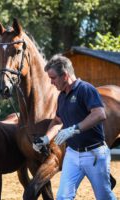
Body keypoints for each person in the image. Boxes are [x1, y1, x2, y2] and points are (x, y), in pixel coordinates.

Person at [32, 54, 116, 200]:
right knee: (63, 197)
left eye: (53, 78)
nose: (51, 82)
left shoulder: (86, 89)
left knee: (104, 197)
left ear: (65, 75)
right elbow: (58, 121)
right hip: (72, 155)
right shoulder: (62, 96)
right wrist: (46, 138)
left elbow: (99, 114)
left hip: (94, 154)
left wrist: (74, 128)